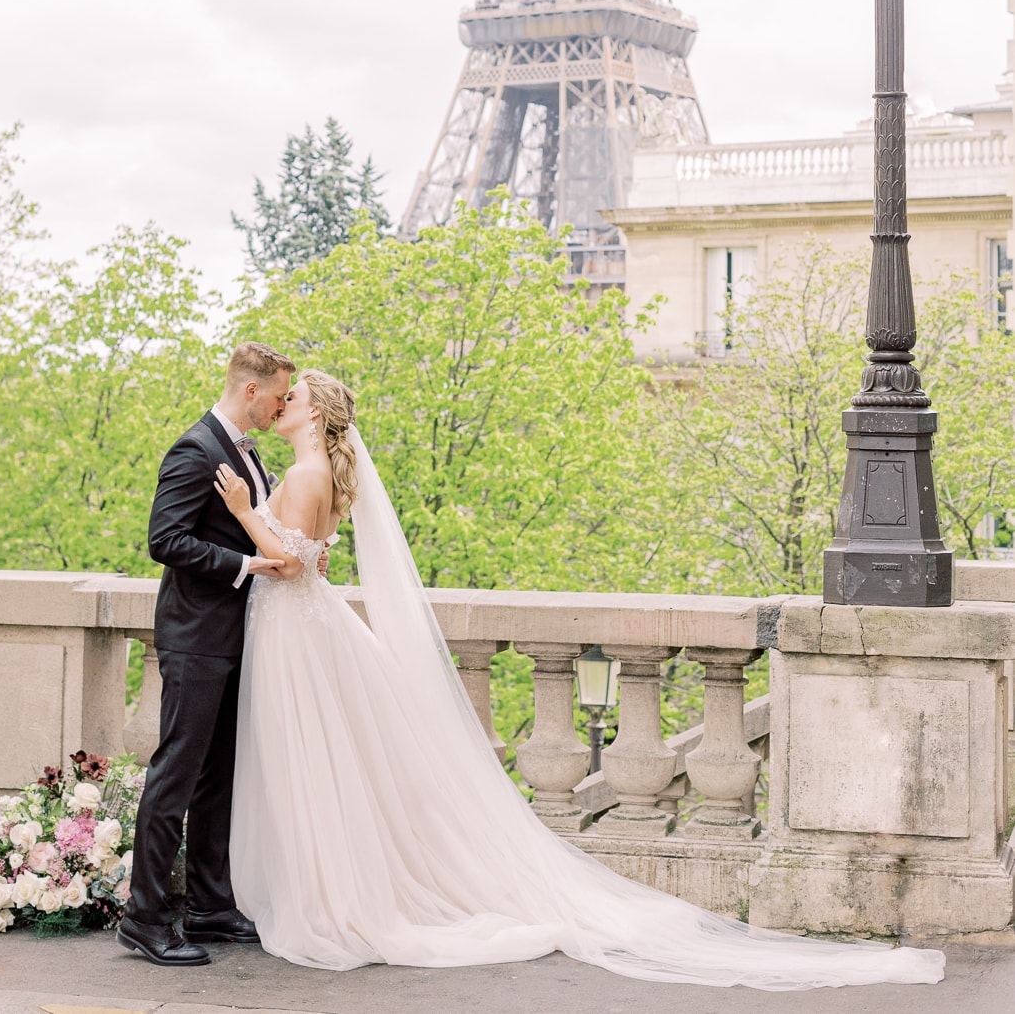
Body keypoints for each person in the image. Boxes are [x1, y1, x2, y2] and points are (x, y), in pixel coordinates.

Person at [215, 368, 945, 992]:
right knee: (324, 767)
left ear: (315, 410)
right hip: (303, 631)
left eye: (294, 395)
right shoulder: (307, 470)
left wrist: (248, 516)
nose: (282, 404)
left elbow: (298, 564)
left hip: (301, 626)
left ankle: (328, 893)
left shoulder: (307, 475)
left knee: (317, 765)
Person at [119, 341, 296, 967]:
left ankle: (211, 905)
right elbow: (164, 539)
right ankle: (143, 916)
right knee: (175, 774)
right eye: (277, 396)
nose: (281, 409)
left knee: (217, 776)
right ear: (251, 390)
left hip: (232, 639)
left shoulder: (245, 452)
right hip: (194, 638)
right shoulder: (196, 449)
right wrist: (247, 564)